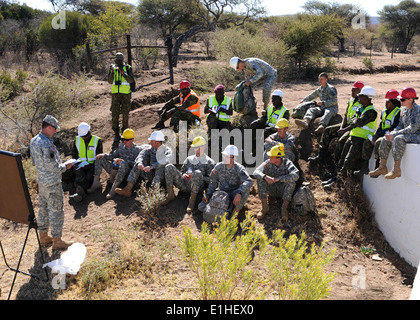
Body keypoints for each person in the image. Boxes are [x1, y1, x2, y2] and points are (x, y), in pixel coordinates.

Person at [30, 115, 74, 250]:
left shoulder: (33, 141)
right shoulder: (47, 143)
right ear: (49, 127)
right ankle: (57, 240)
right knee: (56, 211)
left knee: (43, 209)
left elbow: (33, 162)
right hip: (53, 183)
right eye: (54, 129)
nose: (55, 131)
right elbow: (53, 166)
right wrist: (66, 166)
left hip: (42, 182)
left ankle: (43, 236)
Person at [324, 86, 377, 189]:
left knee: (348, 162)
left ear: (367, 97)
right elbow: (352, 120)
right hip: (353, 136)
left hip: (360, 139)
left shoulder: (371, 111)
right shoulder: (361, 108)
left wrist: (349, 126)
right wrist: (353, 122)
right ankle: (335, 178)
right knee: (342, 158)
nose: (359, 97)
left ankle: (338, 184)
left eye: (361, 96)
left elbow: (357, 122)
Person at [369, 87, 420, 179]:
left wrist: (395, 134)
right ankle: (382, 167)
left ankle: (396, 170)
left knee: (398, 138)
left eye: (403, 99)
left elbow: (413, 128)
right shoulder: (404, 110)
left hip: (417, 135)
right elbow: (400, 125)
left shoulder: (418, 110)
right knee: (385, 138)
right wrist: (391, 133)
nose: (401, 101)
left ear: (410, 99)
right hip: (409, 134)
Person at [308, 81, 364, 165]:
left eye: (354, 90)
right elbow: (345, 115)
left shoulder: (362, 104)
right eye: (352, 90)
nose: (351, 92)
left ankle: (335, 166)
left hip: (353, 128)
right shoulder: (351, 100)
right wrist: (341, 127)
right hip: (346, 125)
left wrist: (344, 129)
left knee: (341, 141)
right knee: (327, 131)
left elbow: (356, 122)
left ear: (360, 91)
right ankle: (321, 156)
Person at [87, 129, 144, 199]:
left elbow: (136, 165)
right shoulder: (121, 147)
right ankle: (95, 183)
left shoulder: (137, 150)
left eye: (127, 140)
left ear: (132, 140)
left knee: (123, 164)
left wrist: (125, 161)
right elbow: (113, 156)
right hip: (116, 169)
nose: (124, 141)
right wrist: (104, 155)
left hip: (127, 173)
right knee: (99, 158)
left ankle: (113, 189)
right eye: (123, 139)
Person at [354, 89, 401, 176]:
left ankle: (378, 167)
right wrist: (376, 135)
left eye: (388, 101)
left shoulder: (398, 112)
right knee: (367, 143)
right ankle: (364, 167)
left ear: (394, 102)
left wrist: (379, 135)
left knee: (379, 142)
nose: (386, 103)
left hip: (391, 134)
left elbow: (394, 127)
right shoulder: (384, 111)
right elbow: (381, 125)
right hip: (382, 133)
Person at [163, 136, 215, 212]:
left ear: (203, 147)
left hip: (197, 189)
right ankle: (170, 194)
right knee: (169, 166)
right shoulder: (189, 159)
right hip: (184, 185)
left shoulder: (209, 162)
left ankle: (192, 201)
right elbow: (181, 172)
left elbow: (211, 180)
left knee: (197, 173)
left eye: (197, 147)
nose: (195, 149)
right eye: (195, 147)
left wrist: (199, 176)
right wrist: (183, 175)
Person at [198, 145, 253, 215]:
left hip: (234, 194)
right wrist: (208, 194)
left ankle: (235, 211)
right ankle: (223, 210)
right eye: (224, 155)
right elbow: (213, 182)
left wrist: (239, 192)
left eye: (227, 156)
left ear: (234, 158)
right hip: (221, 193)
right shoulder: (218, 166)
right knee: (201, 206)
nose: (224, 158)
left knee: (246, 191)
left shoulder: (239, 168)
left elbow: (249, 181)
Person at [115, 131, 173, 197]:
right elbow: (141, 155)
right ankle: (128, 189)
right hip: (151, 175)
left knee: (160, 167)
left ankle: (153, 193)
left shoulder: (167, 150)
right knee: (138, 164)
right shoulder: (150, 149)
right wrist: (140, 163)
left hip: (164, 179)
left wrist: (152, 167)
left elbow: (166, 160)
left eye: (151, 141)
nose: (150, 142)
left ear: (156, 142)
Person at [253, 144, 300, 222]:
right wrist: (265, 177)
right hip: (271, 189)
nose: (269, 157)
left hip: (283, 191)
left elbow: (296, 175)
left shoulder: (287, 163)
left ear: (278, 158)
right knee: (260, 179)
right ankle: (264, 207)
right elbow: (255, 172)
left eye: (272, 156)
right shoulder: (268, 162)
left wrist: (279, 179)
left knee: (292, 182)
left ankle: (284, 208)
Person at [69, 122, 103, 202]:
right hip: (80, 165)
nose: (84, 138)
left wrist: (91, 166)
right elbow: (74, 155)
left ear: (89, 132)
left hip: (92, 166)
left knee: (88, 177)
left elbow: (99, 157)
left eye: (85, 136)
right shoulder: (76, 140)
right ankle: (79, 191)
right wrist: (76, 163)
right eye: (82, 136)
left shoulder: (97, 140)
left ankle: (80, 192)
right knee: (79, 174)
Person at [108, 52, 135, 142]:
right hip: (115, 94)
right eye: (116, 60)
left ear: (122, 60)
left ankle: (124, 132)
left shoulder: (127, 68)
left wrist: (123, 73)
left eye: (119, 60)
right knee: (115, 114)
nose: (118, 61)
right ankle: (116, 133)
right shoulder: (113, 68)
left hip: (126, 94)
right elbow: (110, 81)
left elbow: (131, 80)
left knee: (125, 114)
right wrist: (112, 72)